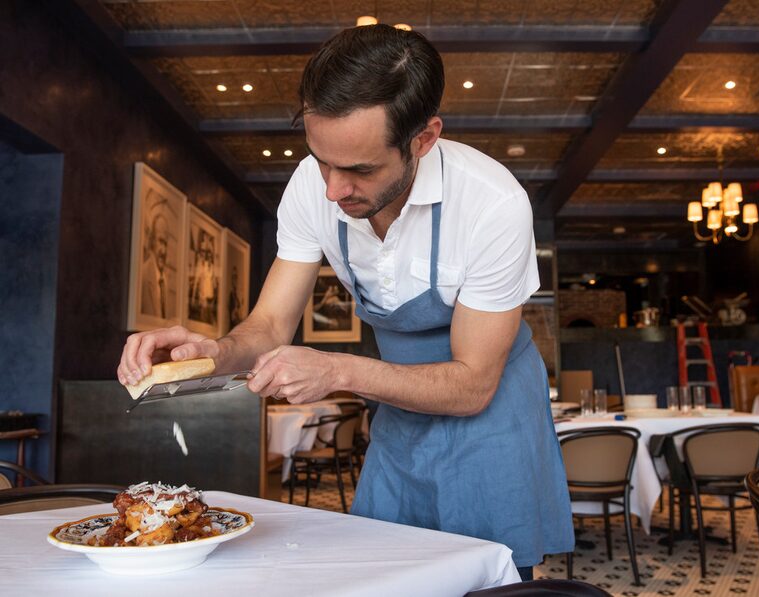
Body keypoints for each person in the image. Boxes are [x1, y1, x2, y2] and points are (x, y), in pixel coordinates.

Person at [118, 24, 574, 579]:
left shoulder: (492, 205)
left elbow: (473, 385)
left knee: (487, 579)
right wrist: (210, 352)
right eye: (320, 161)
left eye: (360, 169)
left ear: (424, 139)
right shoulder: (313, 188)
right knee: (384, 576)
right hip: (398, 416)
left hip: (490, 417)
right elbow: (267, 326)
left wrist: (334, 368)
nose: (333, 191)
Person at [140, 212, 171, 319]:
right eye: (160, 241)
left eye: (166, 244)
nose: (164, 250)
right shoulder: (143, 275)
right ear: (152, 240)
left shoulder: (165, 281)